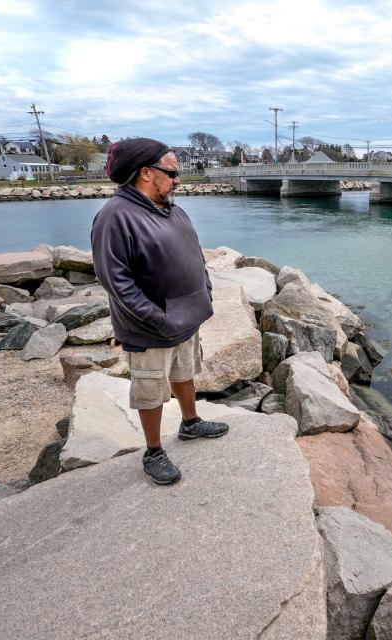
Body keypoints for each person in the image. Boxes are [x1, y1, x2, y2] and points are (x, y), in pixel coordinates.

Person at [91, 137, 228, 485]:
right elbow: (116, 283)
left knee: (184, 372)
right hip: (150, 327)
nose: (178, 179)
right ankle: (153, 451)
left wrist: (205, 292)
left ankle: (191, 423)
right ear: (146, 173)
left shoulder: (172, 209)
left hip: (185, 317)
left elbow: (196, 256)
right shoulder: (115, 217)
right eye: (172, 172)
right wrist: (158, 319)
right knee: (150, 388)